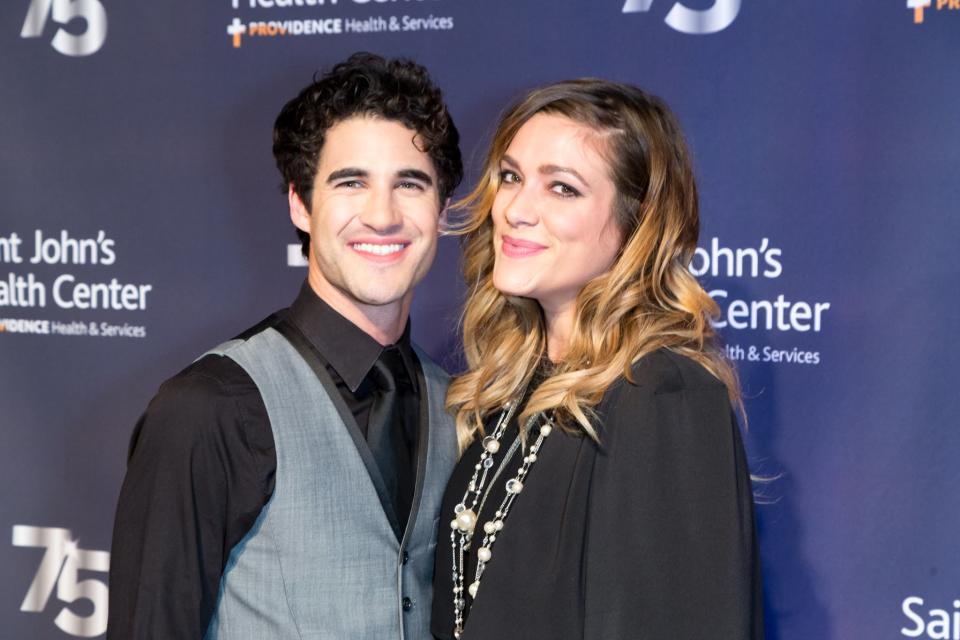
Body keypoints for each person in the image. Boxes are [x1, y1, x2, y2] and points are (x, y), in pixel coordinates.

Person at [108, 52, 463, 639]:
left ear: (442, 208)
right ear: (301, 203)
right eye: (351, 183)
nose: (383, 215)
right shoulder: (209, 406)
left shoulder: (457, 405)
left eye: (410, 183)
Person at [432, 79, 763, 639]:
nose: (515, 209)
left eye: (562, 188)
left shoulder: (664, 395)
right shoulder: (512, 382)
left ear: (636, 226)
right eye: (511, 177)